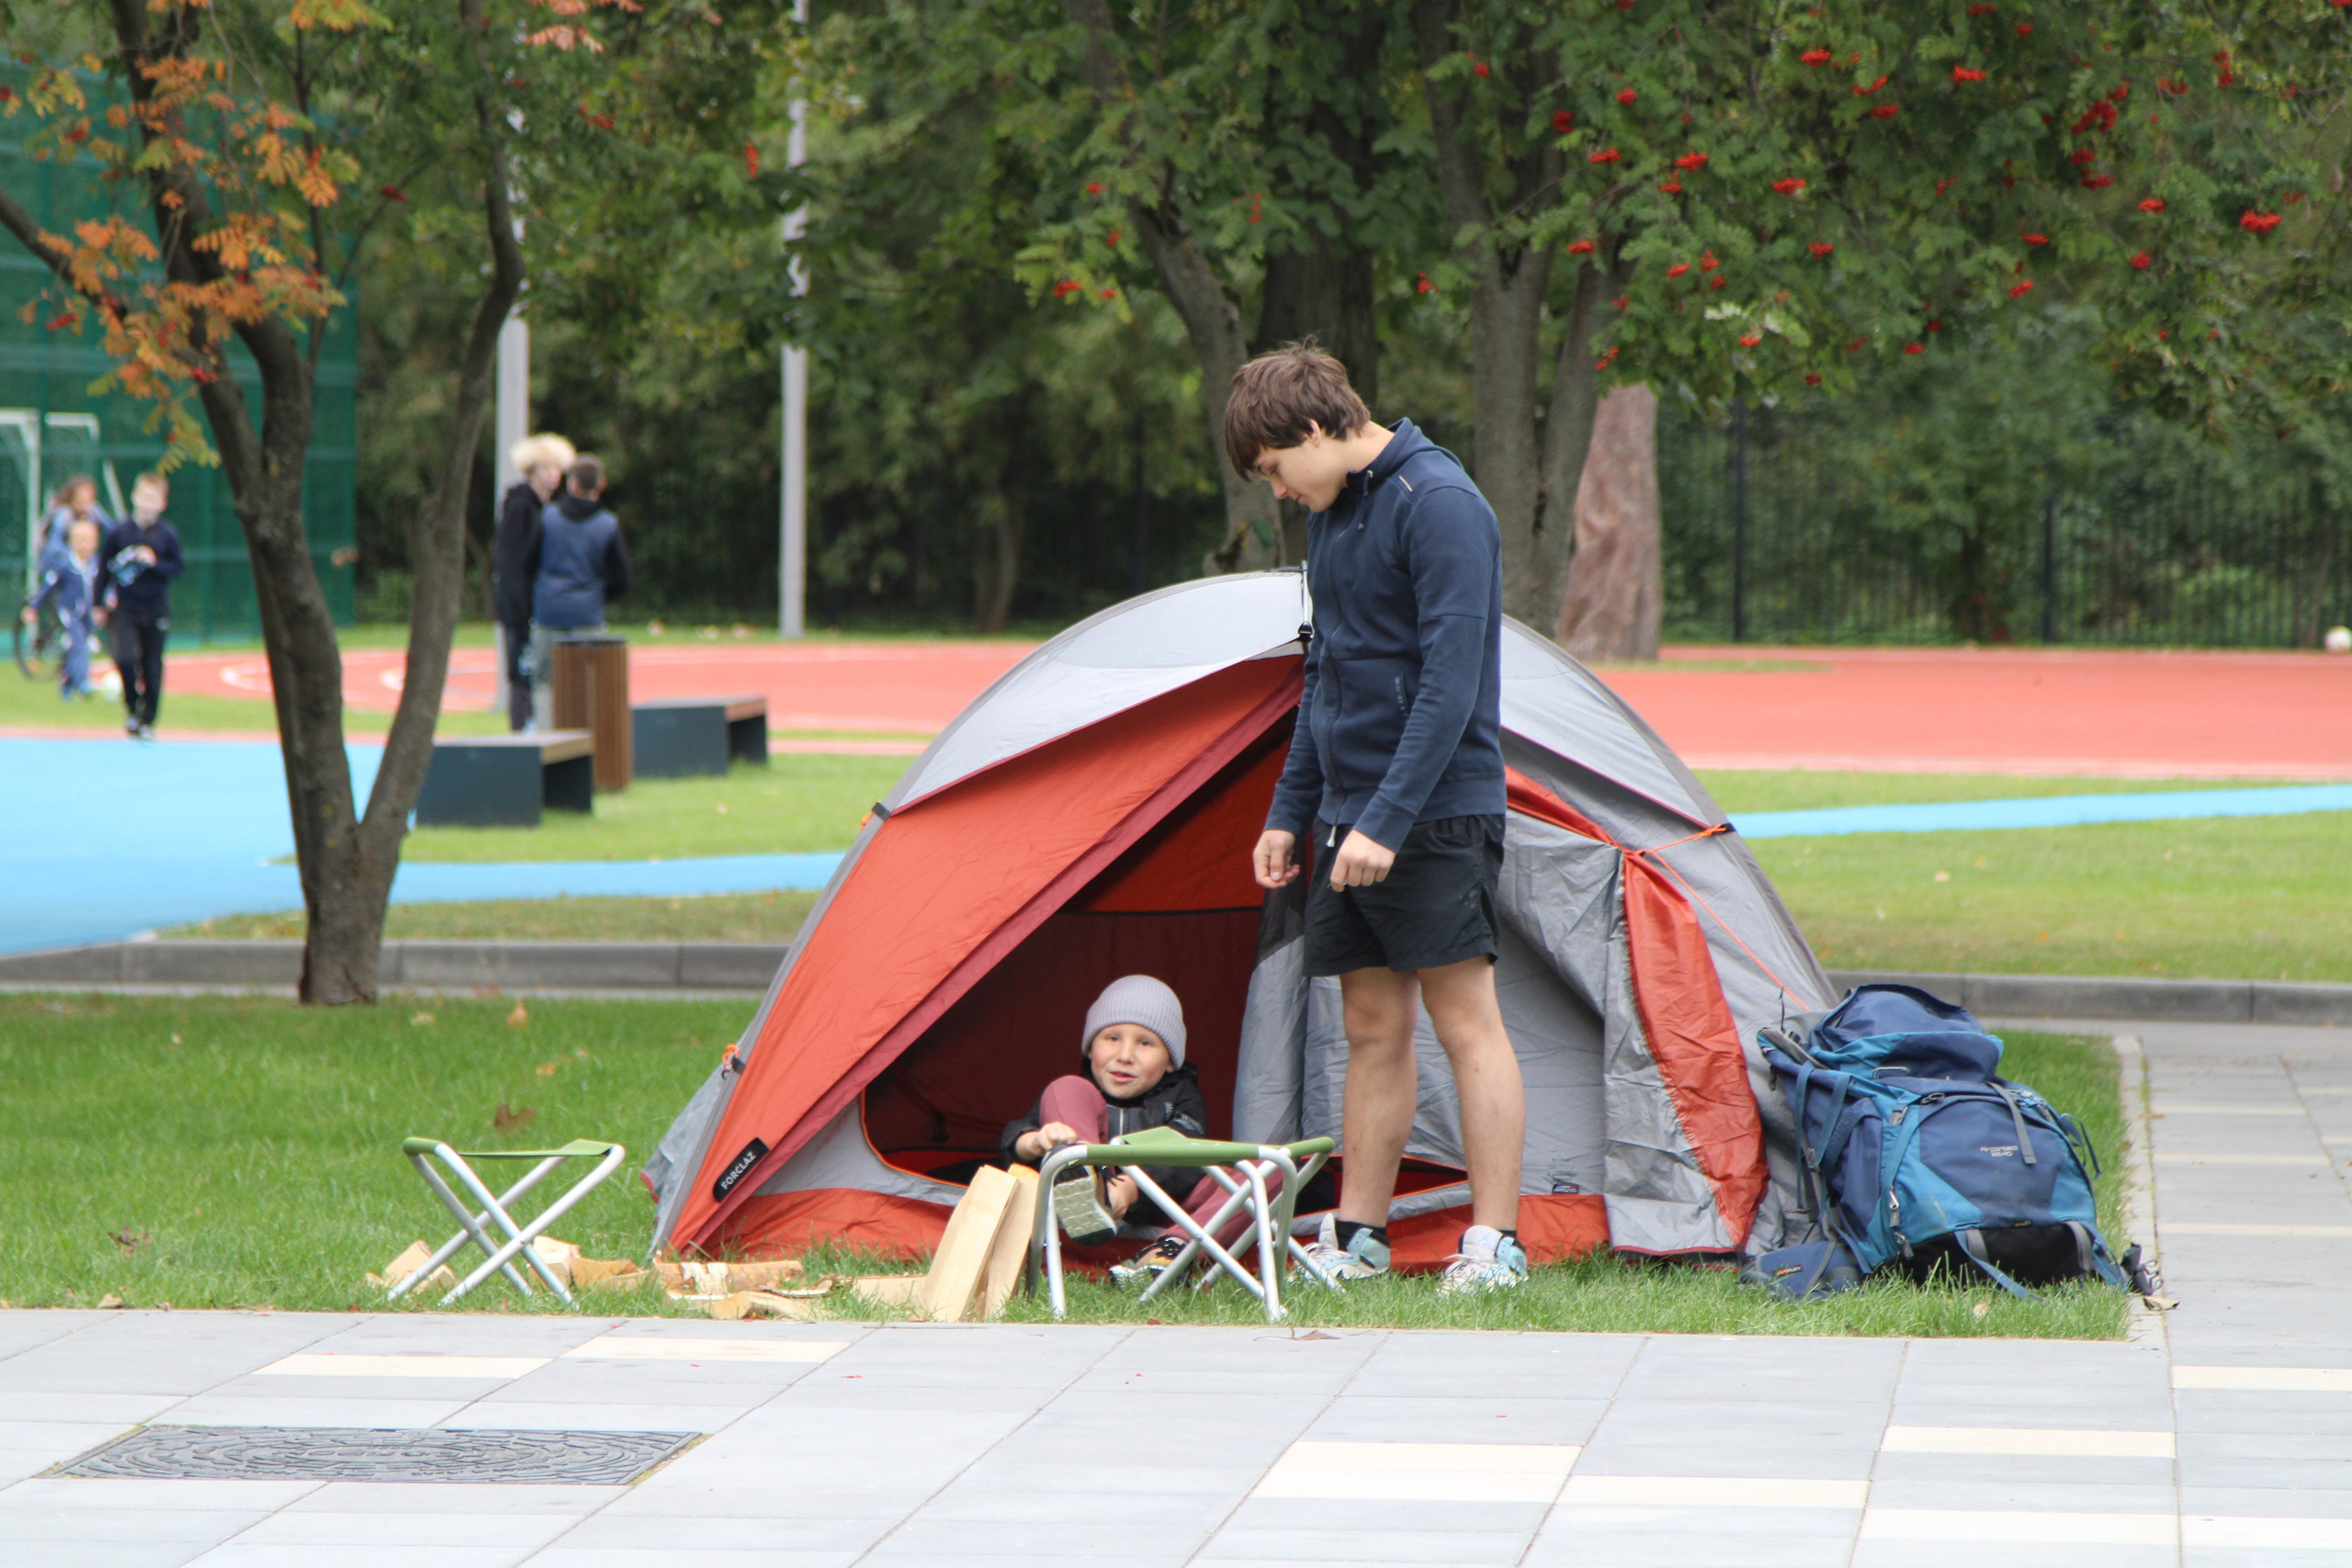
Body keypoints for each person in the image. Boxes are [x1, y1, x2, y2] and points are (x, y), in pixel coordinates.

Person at [1233, 343, 1530, 1296]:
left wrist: (1389, 821)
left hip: (1435, 814)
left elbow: (1450, 687)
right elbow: (1326, 674)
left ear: (1313, 428)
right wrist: (1292, 810)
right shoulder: (1335, 516)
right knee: (1369, 1026)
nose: (1278, 491)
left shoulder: (1439, 504)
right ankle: (1357, 1239)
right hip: (1347, 819)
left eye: (1276, 469)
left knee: (1465, 1022)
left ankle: (1494, 1247)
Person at [1001, 976, 1272, 1291]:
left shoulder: (1181, 1098)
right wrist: (1034, 1141)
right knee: (1066, 1089)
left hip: (1172, 1213)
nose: (1125, 1055)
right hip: (1084, 1206)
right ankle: (1088, 1183)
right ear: (1090, 1049)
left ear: (1170, 1061)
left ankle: (1168, 1252)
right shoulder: (1075, 1095)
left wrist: (1132, 1188)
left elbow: (1185, 1159)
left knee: (1264, 1168)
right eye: (1112, 1038)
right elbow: (1014, 1137)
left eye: (1145, 1043)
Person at [524, 454, 630, 728]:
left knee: (545, 680)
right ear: (601, 484)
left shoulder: (548, 517)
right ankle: (586, 741)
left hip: (549, 611)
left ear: (571, 484)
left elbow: (527, 562)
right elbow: (622, 578)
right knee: (591, 681)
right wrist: (597, 595)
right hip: (587, 614)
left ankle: (547, 740)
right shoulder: (608, 524)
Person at [493, 434, 575, 730]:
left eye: (557, 468)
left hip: (538, 604)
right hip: (520, 606)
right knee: (522, 672)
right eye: (546, 468)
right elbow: (510, 564)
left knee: (538, 672)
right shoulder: (521, 507)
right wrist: (520, 612)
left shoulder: (545, 508)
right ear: (531, 471)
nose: (553, 475)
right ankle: (520, 735)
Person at [101, 472, 185, 740]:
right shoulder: (120, 532)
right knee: (124, 657)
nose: (148, 504)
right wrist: (97, 604)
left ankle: (147, 719)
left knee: (151, 664)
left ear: (163, 503)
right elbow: (104, 569)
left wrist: (154, 562)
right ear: (135, 498)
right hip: (125, 606)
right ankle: (132, 704)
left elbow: (178, 567)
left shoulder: (167, 534)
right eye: (144, 498)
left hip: (155, 607)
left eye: (154, 499)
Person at [20, 514, 108, 700]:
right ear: (71, 542)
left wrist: (108, 602)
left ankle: (66, 684)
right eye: (79, 540)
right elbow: (48, 586)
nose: (83, 545)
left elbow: (105, 586)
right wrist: (34, 607)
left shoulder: (96, 565)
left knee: (83, 645)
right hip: (70, 612)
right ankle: (82, 682)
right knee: (79, 645)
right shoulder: (65, 565)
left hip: (88, 614)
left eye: (88, 540)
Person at [40, 475, 112, 560]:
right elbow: (54, 544)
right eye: (81, 499)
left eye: (88, 499)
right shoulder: (64, 514)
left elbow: (111, 530)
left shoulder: (94, 510)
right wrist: (74, 556)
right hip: (58, 559)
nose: (85, 504)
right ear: (73, 498)